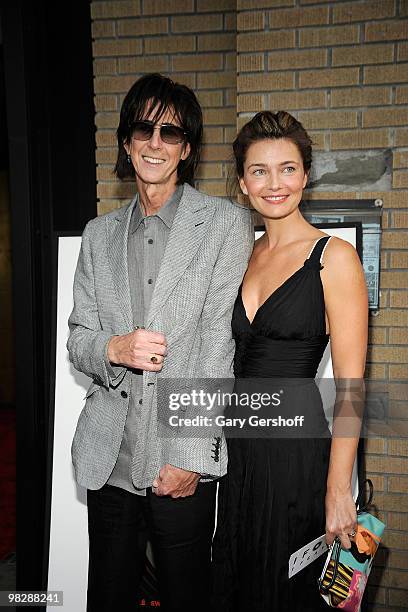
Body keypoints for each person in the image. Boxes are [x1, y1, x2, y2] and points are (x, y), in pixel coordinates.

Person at [67, 73, 253, 612]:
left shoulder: (224, 225)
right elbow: (79, 337)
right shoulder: (98, 234)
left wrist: (193, 455)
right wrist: (113, 348)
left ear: (186, 147)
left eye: (170, 133)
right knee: (108, 595)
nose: (155, 143)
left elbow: (221, 346)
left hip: (179, 460)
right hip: (109, 461)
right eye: (143, 129)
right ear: (126, 142)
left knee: (185, 596)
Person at [211, 111, 368, 611]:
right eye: (259, 170)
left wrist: (339, 489)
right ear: (242, 182)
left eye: (287, 168)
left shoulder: (334, 257)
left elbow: (351, 388)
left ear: (305, 174)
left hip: (296, 452)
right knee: (237, 581)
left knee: (286, 589)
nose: (273, 183)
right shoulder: (242, 254)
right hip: (240, 451)